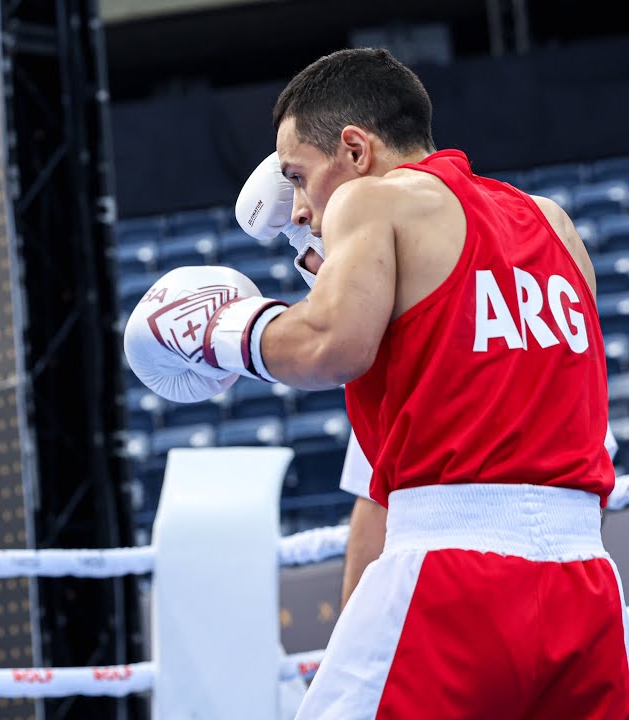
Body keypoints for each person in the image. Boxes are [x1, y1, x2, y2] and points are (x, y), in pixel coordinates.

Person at [124, 48, 628, 717]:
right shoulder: (552, 222)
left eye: (298, 177)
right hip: (586, 586)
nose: (299, 210)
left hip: (456, 576)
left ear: (356, 150)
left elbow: (331, 344)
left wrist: (217, 330)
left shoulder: (369, 199)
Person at [235, 150, 624, 609]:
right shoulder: (544, 232)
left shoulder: (409, 336)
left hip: (459, 582)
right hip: (581, 580)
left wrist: (226, 334)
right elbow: (585, 482)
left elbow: (376, 511)